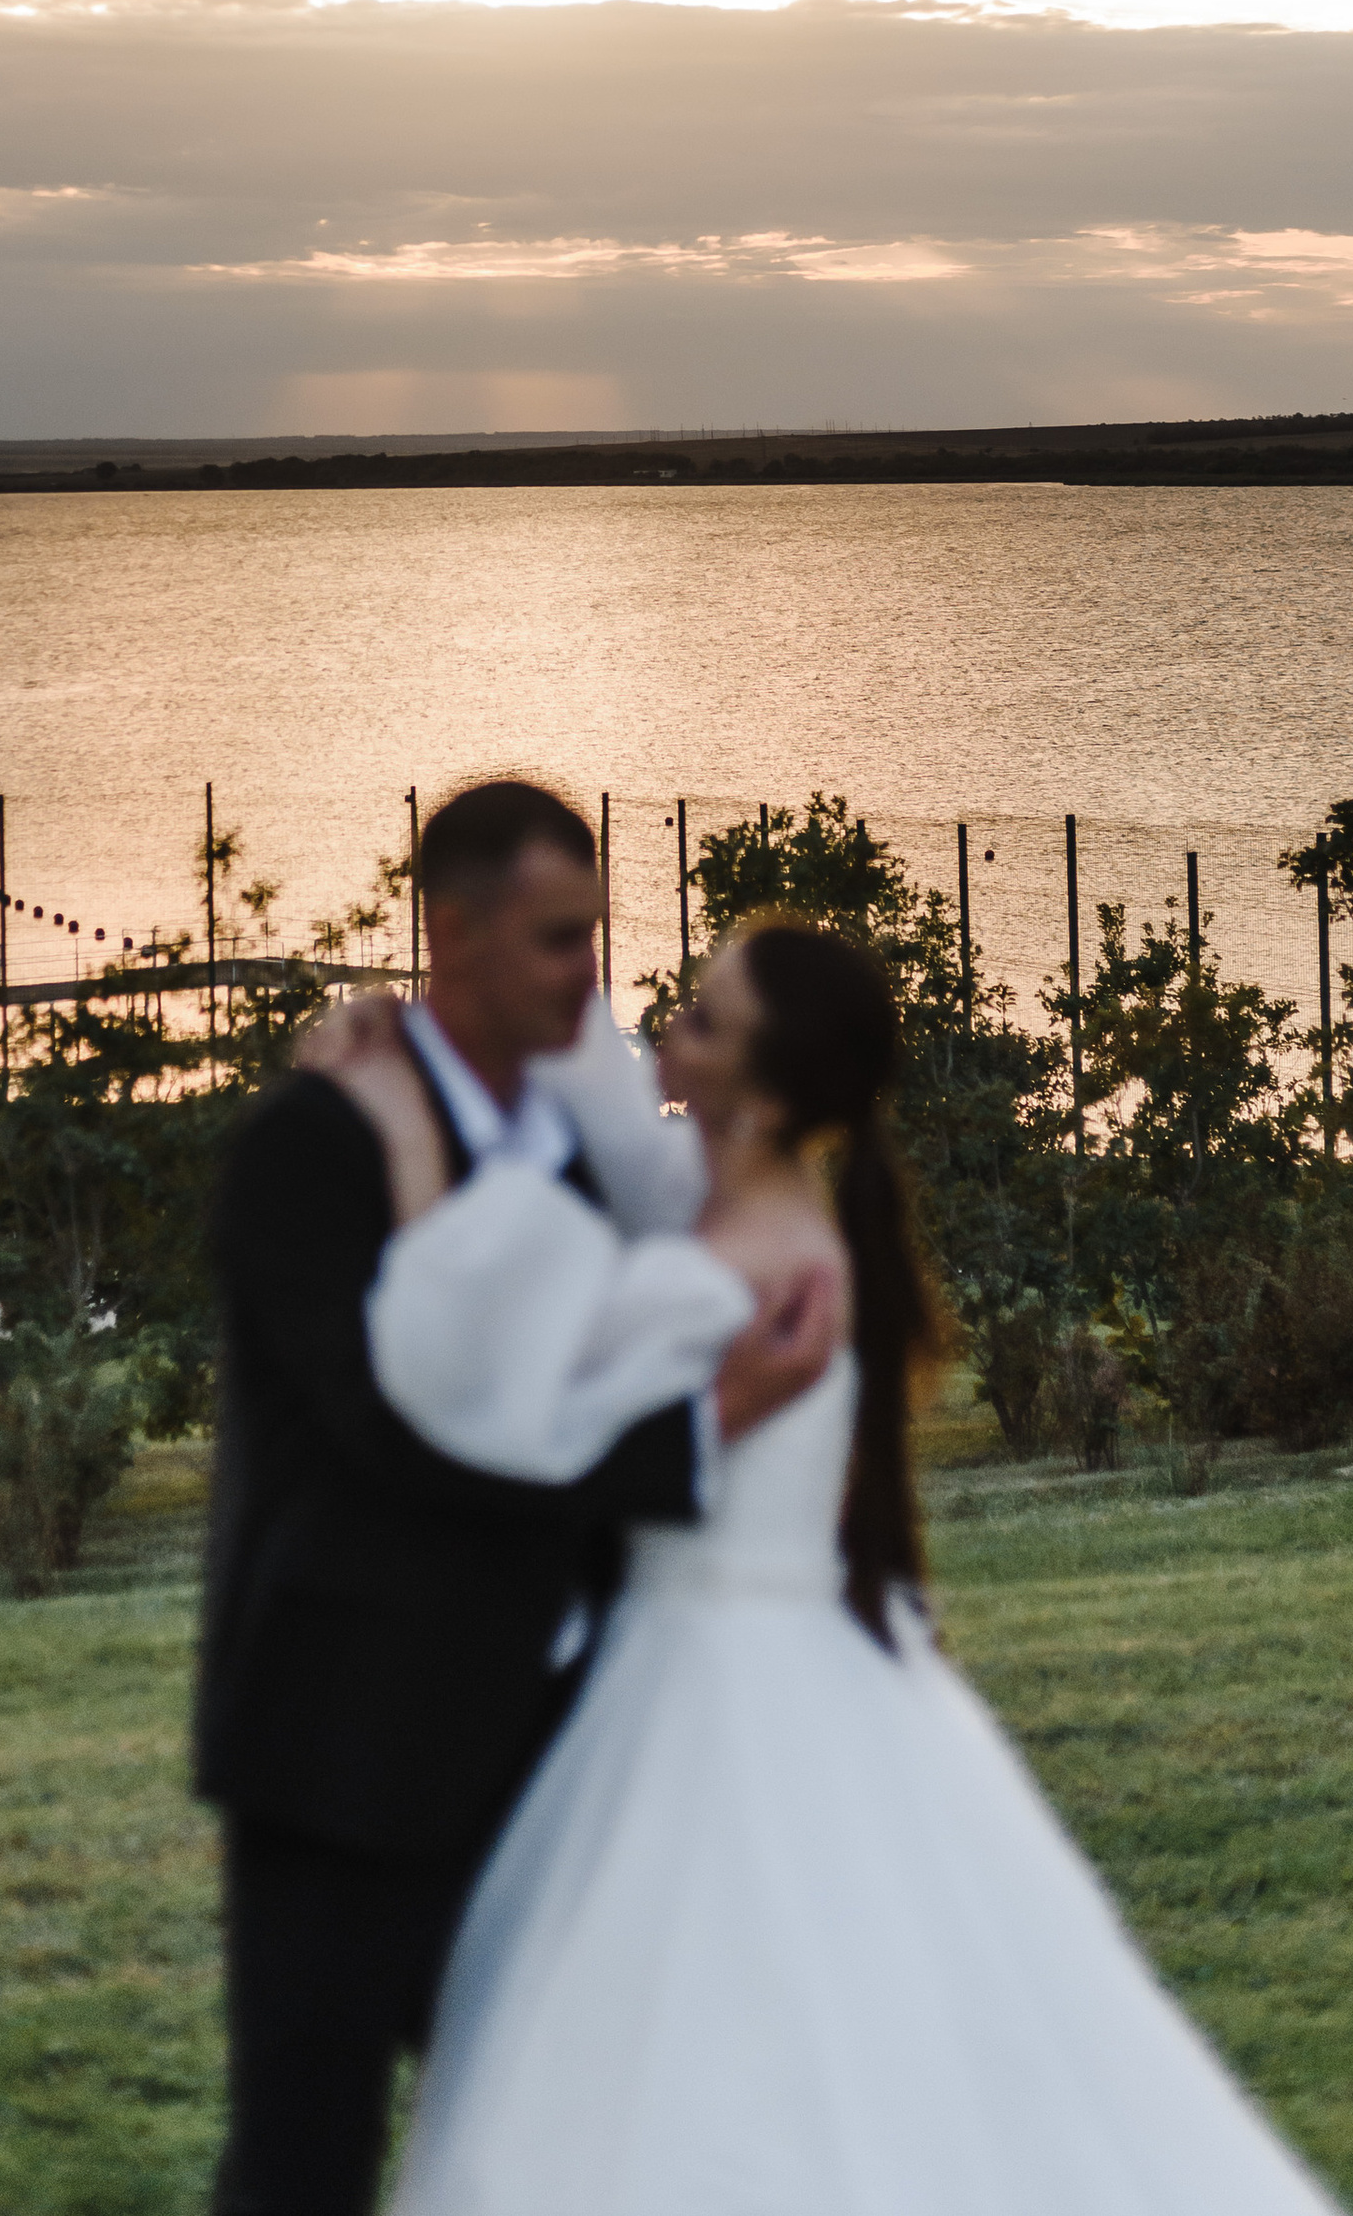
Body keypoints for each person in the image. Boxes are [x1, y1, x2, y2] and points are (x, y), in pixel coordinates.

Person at [319, 912, 1347, 2216]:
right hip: (778, 1650)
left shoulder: (743, 1269)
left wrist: (404, 1135)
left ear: (755, 1087)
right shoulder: (759, 1215)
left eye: (695, 1018)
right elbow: (611, 1124)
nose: (662, 1033)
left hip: (703, 1675)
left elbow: (500, 1402)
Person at [195, 781, 842, 2216]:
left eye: (594, 936)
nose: (589, 975)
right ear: (455, 930)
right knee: (308, 2160)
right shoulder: (315, 1143)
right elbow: (401, 1433)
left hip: (543, 1739)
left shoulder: (575, 1137)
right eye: (558, 939)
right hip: (343, 1747)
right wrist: (700, 1428)